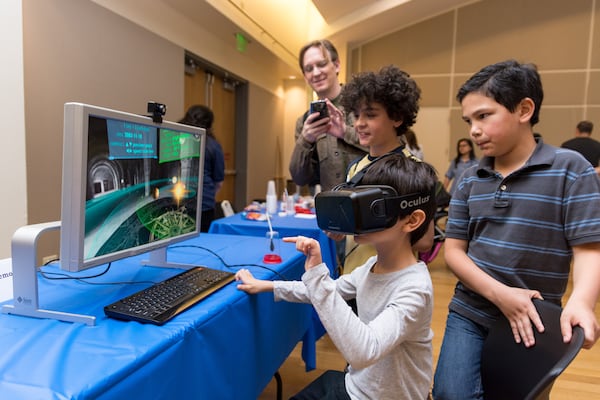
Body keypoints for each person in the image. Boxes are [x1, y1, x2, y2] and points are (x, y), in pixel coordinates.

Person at [432, 60, 600, 400]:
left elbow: (588, 249)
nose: (474, 130)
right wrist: (499, 294)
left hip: (536, 320)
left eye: (484, 116)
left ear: (524, 109)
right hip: (471, 311)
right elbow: (453, 251)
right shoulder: (468, 179)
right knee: (451, 394)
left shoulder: (571, 170)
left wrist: (582, 301)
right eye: (469, 121)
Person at [236, 153, 438, 400]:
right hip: (357, 386)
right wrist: (268, 286)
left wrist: (316, 274)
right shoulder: (372, 266)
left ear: (412, 220)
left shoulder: (415, 288)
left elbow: (364, 349)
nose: (355, 218)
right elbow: (329, 289)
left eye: (371, 208)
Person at [337, 65, 424, 273]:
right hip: (353, 278)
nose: (359, 124)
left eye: (370, 115)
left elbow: (425, 241)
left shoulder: (414, 171)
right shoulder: (355, 168)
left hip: (391, 281)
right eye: (356, 115)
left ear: (397, 117)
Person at [289, 39, 367, 192]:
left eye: (322, 64)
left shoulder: (363, 105)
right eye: (309, 68)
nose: (316, 73)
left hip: (369, 208)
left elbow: (392, 147)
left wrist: (345, 132)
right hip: (331, 210)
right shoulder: (305, 122)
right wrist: (305, 141)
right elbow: (299, 178)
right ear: (305, 77)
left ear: (336, 65)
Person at [179, 105, 225, 232]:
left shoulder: (174, 138)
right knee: (202, 241)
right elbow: (219, 181)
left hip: (176, 201)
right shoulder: (213, 145)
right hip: (204, 204)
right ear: (209, 124)